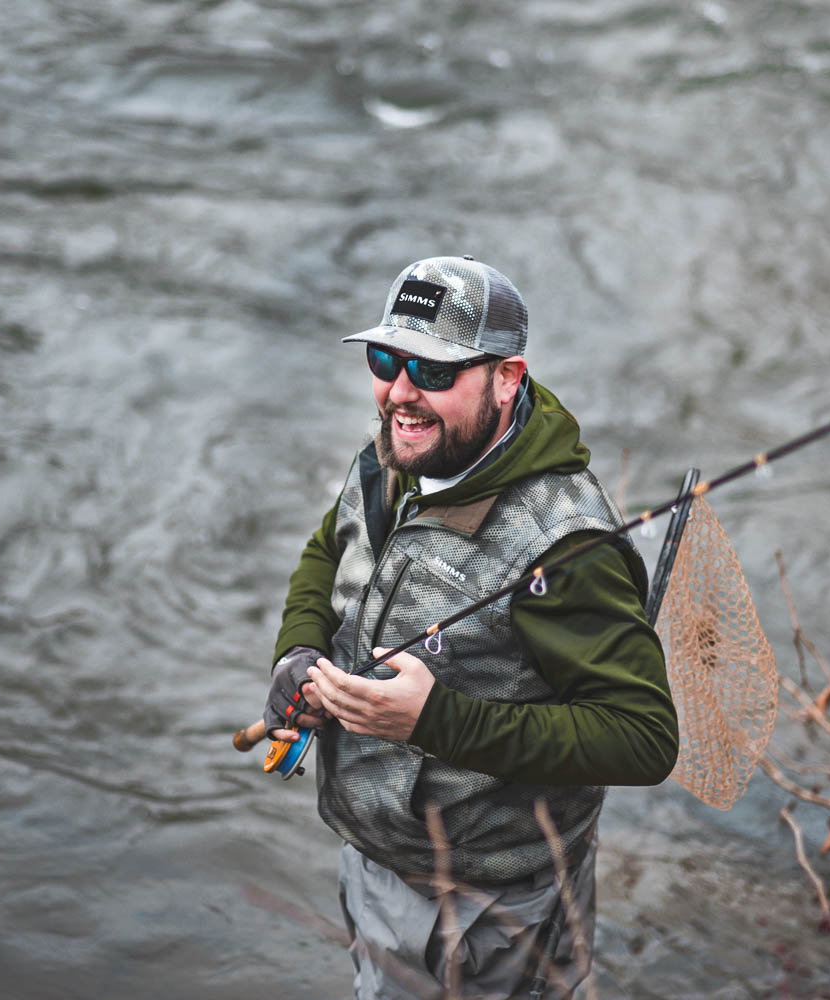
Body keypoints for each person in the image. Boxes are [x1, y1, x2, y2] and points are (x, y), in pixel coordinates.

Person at [261, 255, 677, 998]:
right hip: (376, 854)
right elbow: (330, 549)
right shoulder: (397, 452)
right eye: (386, 359)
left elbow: (643, 738)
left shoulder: (569, 546)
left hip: (490, 907)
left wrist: (435, 719)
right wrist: (298, 648)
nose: (401, 392)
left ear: (507, 377)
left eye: (435, 370)